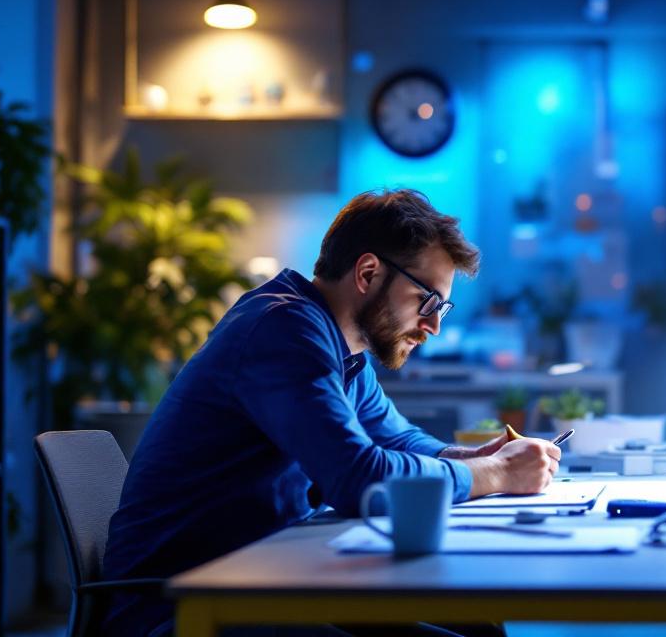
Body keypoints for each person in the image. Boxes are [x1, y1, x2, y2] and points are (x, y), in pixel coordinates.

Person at [102, 189, 560, 637]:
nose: (434, 325)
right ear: (367, 272)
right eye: (428, 301)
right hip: (180, 607)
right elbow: (359, 477)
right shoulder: (283, 330)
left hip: (263, 580)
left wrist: (482, 456)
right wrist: (497, 472)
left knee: (477, 625)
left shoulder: (342, 351)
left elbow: (398, 441)